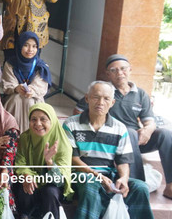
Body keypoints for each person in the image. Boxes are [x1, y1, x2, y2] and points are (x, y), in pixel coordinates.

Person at [74, 54, 172, 198]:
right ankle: (137, 183)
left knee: (165, 134)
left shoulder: (140, 94)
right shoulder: (103, 91)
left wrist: (147, 130)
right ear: (108, 74)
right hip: (112, 140)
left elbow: (149, 120)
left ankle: (170, 185)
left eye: (123, 69)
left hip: (137, 140)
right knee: (130, 132)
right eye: (114, 70)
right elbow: (78, 111)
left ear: (130, 70)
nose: (120, 73)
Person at [63, 81, 154, 219]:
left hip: (109, 176)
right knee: (90, 184)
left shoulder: (120, 128)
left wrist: (123, 178)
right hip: (81, 175)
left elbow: (123, 161)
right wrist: (97, 176)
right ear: (87, 99)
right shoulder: (71, 124)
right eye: (96, 97)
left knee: (140, 188)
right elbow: (73, 159)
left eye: (106, 99)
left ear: (112, 102)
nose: (100, 102)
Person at [14, 103, 73, 219]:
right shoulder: (25, 138)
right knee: (24, 187)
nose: (38, 124)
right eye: (33, 119)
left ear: (52, 121)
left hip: (53, 184)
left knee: (50, 192)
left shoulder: (62, 142)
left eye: (43, 119)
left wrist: (50, 162)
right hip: (32, 182)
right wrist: (27, 174)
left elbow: (60, 180)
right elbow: (20, 162)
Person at [1, 31, 51, 132]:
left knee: (30, 101)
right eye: (26, 45)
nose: (30, 50)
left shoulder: (41, 66)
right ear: (19, 46)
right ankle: (12, 133)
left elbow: (40, 86)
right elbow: (8, 83)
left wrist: (31, 90)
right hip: (14, 96)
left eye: (34, 46)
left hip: (34, 97)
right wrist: (16, 88)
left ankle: (33, 134)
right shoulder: (10, 63)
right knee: (16, 99)